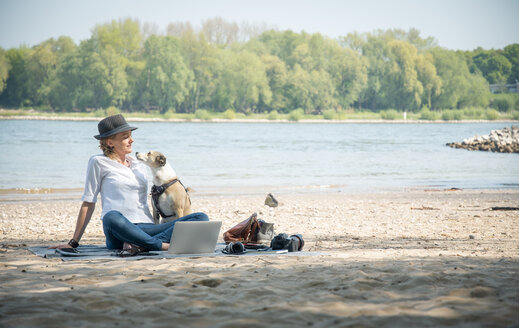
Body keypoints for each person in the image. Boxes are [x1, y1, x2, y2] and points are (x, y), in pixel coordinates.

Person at [52, 114, 209, 252]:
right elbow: (88, 202)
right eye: (125, 136)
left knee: (201, 218)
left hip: (147, 228)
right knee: (110, 216)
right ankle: (159, 245)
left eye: (130, 135)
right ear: (110, 142)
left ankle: (143, 245)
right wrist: (73, 242)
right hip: (120, 229)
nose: (131, 140)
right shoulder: (98, 162)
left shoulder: (138, 164)